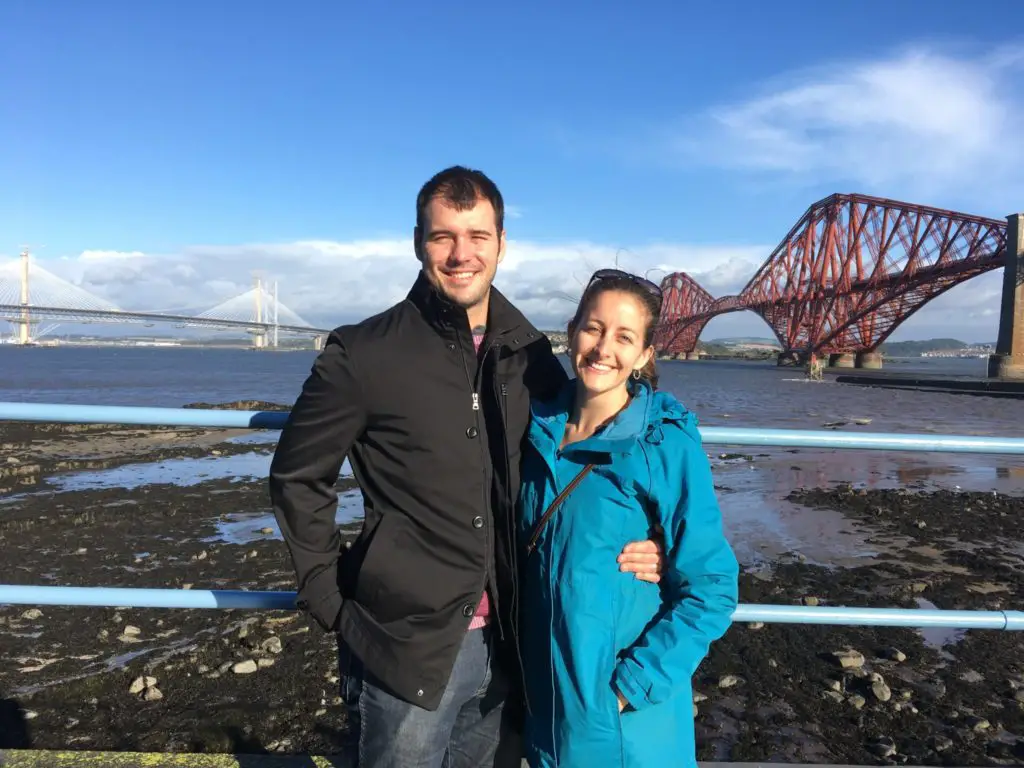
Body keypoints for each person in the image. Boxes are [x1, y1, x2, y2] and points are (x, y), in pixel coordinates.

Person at [268, 166, 664, 768]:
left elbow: (588, 456)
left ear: (502, 244)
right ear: (418, 243)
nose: (461, 254)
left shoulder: (529, 355)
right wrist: (327, 597)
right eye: (442, 236)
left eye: (478, 236)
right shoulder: (364, 353)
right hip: (406, 648)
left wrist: (649, 538)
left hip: (513, 641)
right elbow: (298, 476)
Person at [517, 268, 740, 767]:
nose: (602, 349)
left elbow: (713, 587)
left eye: (624, 337)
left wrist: (626, 689)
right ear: (572, 332)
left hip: (623, 726)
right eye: (593, 328)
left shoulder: (663, 445)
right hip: (543, 713)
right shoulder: (531, 434)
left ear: (643, 355)